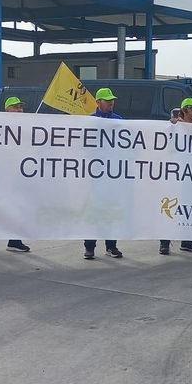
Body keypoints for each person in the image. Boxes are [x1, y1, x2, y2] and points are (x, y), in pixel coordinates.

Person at [0, 96, 31, 255]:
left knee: (17, 207)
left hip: (17, 175)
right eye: (16, 107)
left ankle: (14, 241)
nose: (19, 110)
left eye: (20, 107)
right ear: (7, 109)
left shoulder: (26, 127)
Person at [160, 97, 192, 255]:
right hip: (174, 174)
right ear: (184, 110)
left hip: (191, 174)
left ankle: (186, 240)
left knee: (188, 207)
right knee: (169, 209)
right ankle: (164, 242)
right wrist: (171, 126)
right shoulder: (174, 125)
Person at [84, 88, 124, 260]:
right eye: (107, 100)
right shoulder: (90, 121)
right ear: (98, 102)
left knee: (110, 212)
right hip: (94, 177)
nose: (111, 103)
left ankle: (111, 246)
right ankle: (89, 247)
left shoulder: (119, 121)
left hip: (113, 176)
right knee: (94, 213)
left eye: (112, 100)